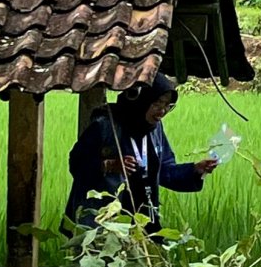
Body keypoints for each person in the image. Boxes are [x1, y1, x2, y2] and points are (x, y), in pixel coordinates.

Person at [65, 75, 216, 225]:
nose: (162, 111)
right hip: (102, 220)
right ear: (142, 100)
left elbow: (164, 170)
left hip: (142, 218)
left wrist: (195, 170)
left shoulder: (154, 129)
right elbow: (77, 165)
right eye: (157, 103)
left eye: (168, 106)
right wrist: (110, 165)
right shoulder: (105, 125)